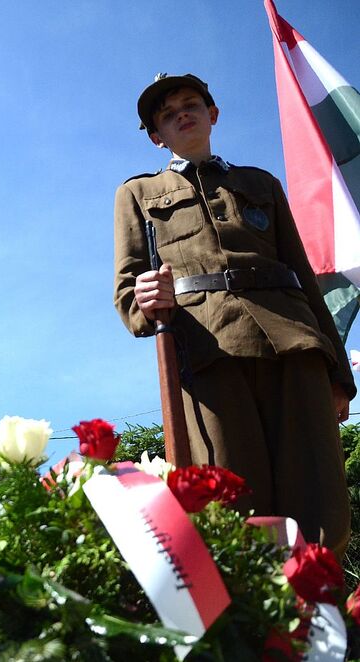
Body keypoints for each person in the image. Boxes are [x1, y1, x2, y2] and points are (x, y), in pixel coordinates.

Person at [113, 73, 354, 557]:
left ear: (212, 114)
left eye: (192, 103)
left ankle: (317, 605)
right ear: (157, 136)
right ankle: (259, 618)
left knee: (318, 494)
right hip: (207, 353)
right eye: (167, 113)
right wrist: (143, 298)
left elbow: (304, 279)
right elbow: (127, 288)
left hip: (295, 343)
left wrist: (337, 376)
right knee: (232, 497)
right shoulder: (137, 194)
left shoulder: (260, 183)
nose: (183, 113)